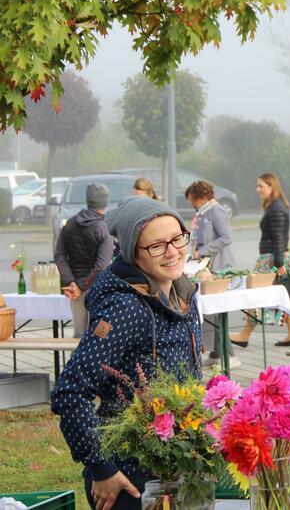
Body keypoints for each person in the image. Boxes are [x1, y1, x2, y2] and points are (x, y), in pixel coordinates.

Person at [51, 197, 202, 510]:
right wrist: (101, 467)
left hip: (175, 466)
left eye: (177, 238)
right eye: (157, 245)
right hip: (130, 478)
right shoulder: (126, 308)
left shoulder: (182, 293)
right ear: (134, 251)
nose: (173, 251)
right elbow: (70, 391)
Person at [230, 173, 290, 347]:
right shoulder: (276, 206)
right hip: (276, 257)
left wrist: (278, 264)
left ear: (271, 186)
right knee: (287, 294)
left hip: (272, 260)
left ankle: (245, 334)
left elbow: (278, 237)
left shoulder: (276, 208)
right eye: (257, 185)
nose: (258, 189)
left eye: (261, 186)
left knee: (256, 294)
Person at [185, 180, 239, 367]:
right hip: (206, 266)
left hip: (219, 266)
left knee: (217, 312)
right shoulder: (201, 213)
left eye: (192, 199)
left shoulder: (216, 211)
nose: (191, 203)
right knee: (210, 312)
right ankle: (216, 354)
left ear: (202, 197)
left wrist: (205, 250)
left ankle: (230, 355)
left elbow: (226, 237)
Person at [54, 183, 114, 338]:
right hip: (99, 289)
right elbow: (101, 266)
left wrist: (71, 282)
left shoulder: (70, 224)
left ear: (87, 200)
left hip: (75, 289)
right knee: (99, 336)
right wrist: (81, 286)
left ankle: (76, 363)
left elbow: (59, 255)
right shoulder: (104, 227)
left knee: (79, 335)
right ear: (105, 202)